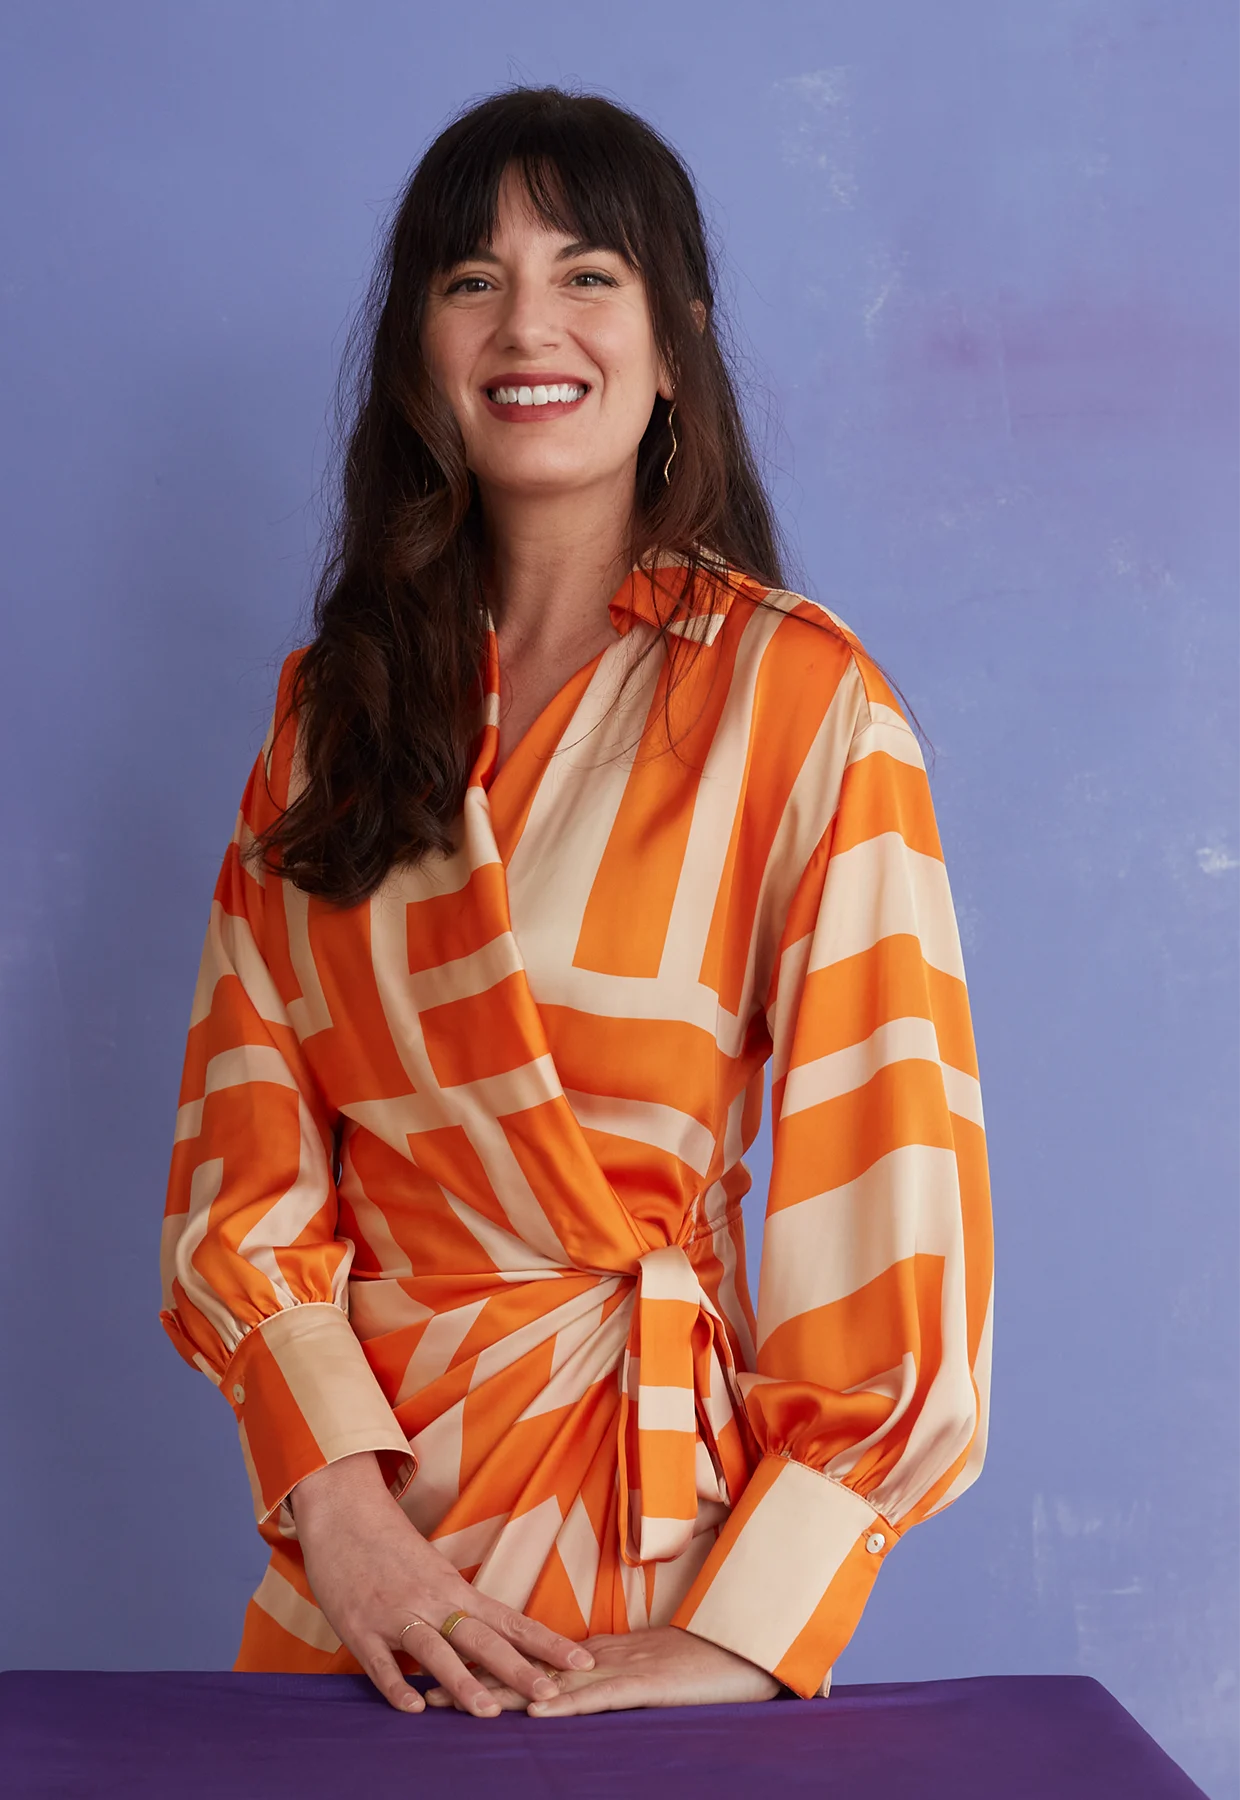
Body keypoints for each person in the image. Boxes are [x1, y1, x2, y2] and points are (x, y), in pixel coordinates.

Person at [159, 86, 993, 1722]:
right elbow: (239, 1170)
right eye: (470, 279)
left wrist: (751, 1628)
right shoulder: (331, 718)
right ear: (418, 351)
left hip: (647, 1531)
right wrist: (346, 1528)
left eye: (587, 273)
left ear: (676, 344)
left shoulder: (799, 703)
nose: (526, 323)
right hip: (360, 1563)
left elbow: (891, 1177)